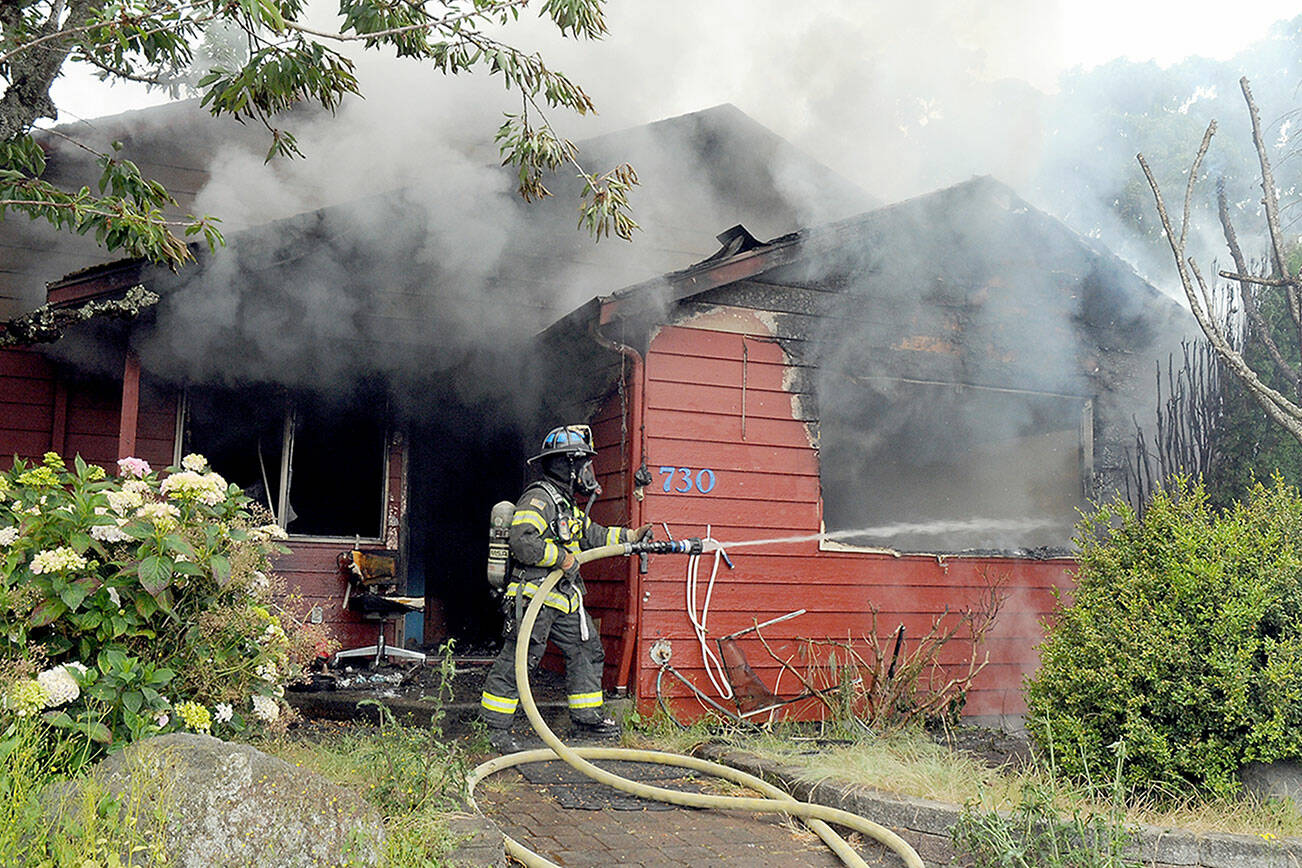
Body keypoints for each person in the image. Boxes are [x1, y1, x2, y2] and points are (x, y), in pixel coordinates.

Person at [480, 424, 652, 753]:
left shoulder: (565, 504)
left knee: (587, 651)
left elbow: (593, 536)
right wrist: (562, 558)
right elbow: (523, 540)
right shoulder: (538, 497)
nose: (589, 472)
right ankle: (495, 731)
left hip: (564, 599)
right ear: (569, 464)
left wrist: (631, 538)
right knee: (519, 660)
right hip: (534, 598)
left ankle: (587, 720)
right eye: (585, 464)